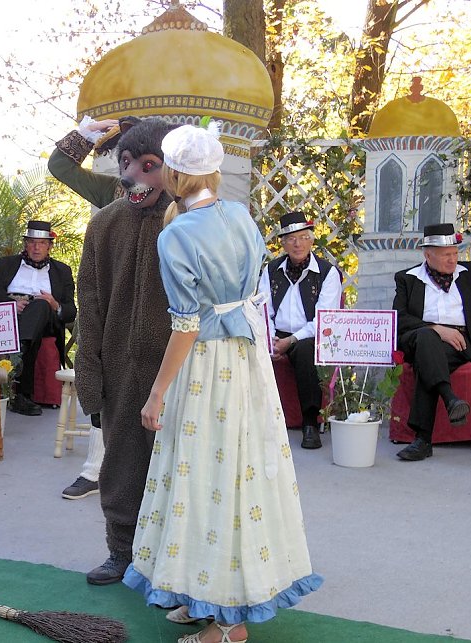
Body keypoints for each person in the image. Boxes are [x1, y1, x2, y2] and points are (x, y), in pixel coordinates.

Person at [125, 124, 322, 643]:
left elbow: (187, 324)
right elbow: (250, 297)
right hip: (247, 360)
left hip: (207, 369)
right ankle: (204, 594)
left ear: (171, 174)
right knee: (234, 473)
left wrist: (156, 392)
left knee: (209, 481)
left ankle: (228, 623)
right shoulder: (242, 217)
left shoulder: (176, 235)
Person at [73, 116, 178, 584]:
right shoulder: (104, 225)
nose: (133, 175)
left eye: (148, 164)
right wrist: (90, 381)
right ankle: (122, 549)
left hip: (176, 370)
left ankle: (177, 559)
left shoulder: (189, 223)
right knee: (121, 462)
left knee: (178, 464)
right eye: (127, 163)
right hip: (119, 369)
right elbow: (89, 304)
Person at [48, 116, 127, 500]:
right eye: (125, 158)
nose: (133, 167)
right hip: (111, 306)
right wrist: (84, 134)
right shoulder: (113, 191)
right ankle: (96, 469)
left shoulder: (176, 197)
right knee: (101, 382)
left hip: (160, 311)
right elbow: (60, 167)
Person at [392, 223, 471, 461]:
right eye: (446, 254)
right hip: (419, 337)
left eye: (455, 253)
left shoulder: (469, 274)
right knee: (428, 341)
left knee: (429, 361)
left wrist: (446, 334)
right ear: (428, 255)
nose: (452, 259)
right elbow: (400, 318)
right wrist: (436, 329)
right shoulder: (408, 279)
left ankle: (423, 441)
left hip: (460, 344)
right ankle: (450, 398)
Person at [257, 212, 342, 449]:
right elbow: (264, 309)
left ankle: (309, 423)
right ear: (282, 243)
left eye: (303, 237)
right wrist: (270, 338)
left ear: (312, 240)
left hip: (310, 335)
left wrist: (291, 341)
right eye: (291, 238)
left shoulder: (327, 273)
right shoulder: (271, 270)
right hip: (276, 333)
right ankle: (255, 422)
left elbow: (324, 320)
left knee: (305, 351)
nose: (298, 243)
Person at [0, 221, 77, 416]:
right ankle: (21, 388)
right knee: (31, 325)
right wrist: (11, 306)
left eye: (41, 243)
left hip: (46, 320)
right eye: (32, 242)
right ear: (25, 244)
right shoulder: (3, 266)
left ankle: (19, 359)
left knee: (40, 306)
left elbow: (70, 311)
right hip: (9, 320)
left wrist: (53, 304)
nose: (36, 247)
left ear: (50, 246)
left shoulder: (62, 272)